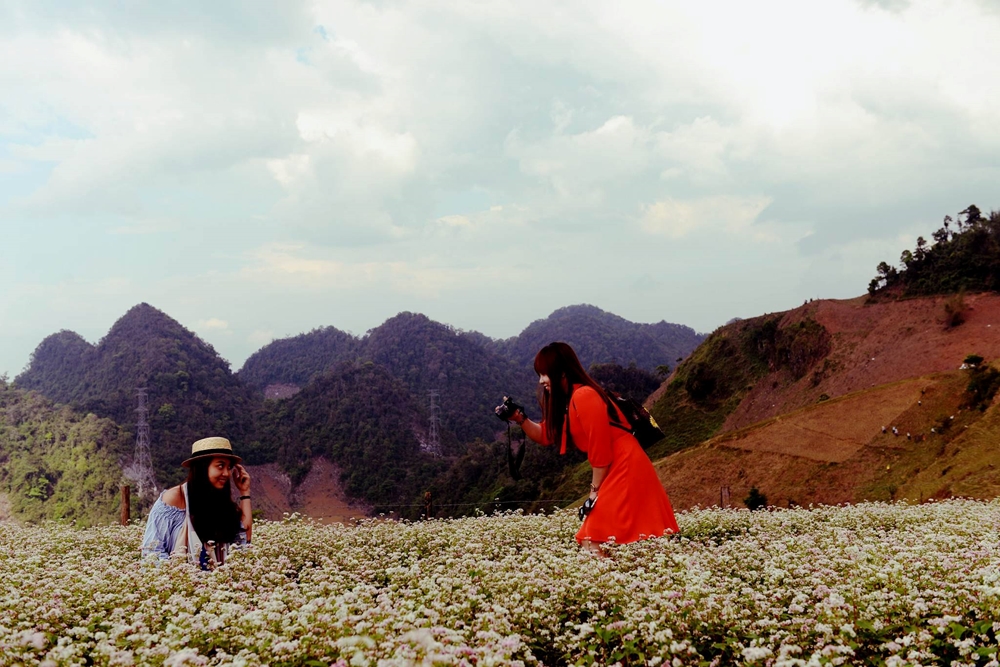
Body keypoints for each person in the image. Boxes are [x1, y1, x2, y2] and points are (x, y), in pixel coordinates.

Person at [504, 342, 679, 553]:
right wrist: (518, 417)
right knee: (610, 539)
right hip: (617, 464)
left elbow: (600, 451)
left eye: (545, 374)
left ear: (561, 372)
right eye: (539, 374)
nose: (541, 381)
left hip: (625, 464)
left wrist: (593, 494)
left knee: (594, 538)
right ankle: (624, 582)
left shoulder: (584, 396)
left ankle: (614, 583)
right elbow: (546, 435)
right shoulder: (571, 400)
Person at [141, 436, 253, 568]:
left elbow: (243, 538)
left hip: (220, 584)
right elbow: (151, 552)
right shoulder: (174, 499)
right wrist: (179, 577)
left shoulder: (221, 503)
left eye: (229, 467)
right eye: (220, 466)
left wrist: (245, 493)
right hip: (180, 583)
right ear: (202, 467)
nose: (226, 473)